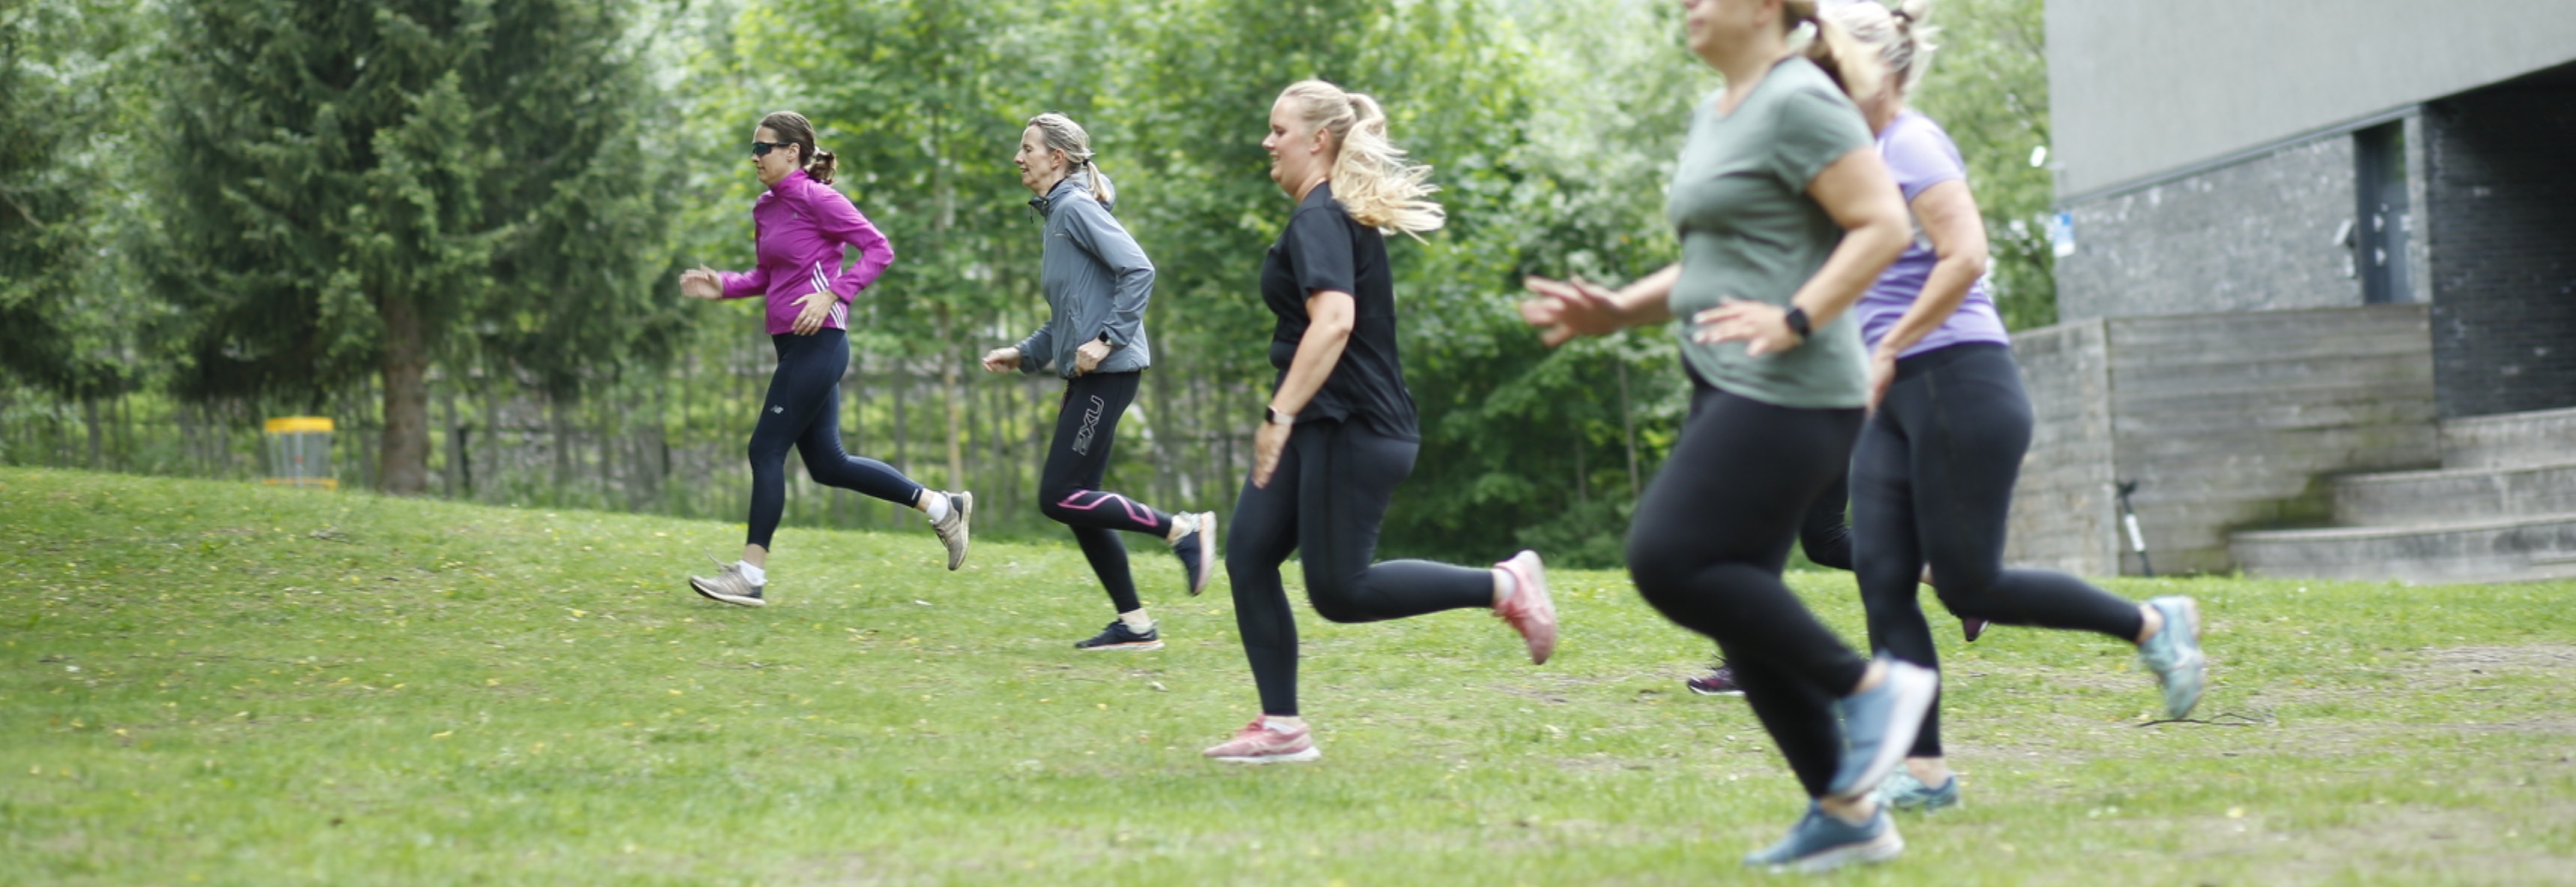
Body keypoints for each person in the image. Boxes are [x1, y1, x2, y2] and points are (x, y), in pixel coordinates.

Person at [1520, 0, 1933, 871]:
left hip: (1795, 387)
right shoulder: (1720, 112)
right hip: (1732, 379)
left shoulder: (1797, 99)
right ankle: (1845, 809)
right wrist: (1618, 311)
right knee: (1734, 594)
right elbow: (1713, 261)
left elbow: (1884, 225)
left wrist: (1797, 315)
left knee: (1668, 559)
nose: (1685, 7)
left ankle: (1870, 688)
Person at [1819, 0, 2205, 814]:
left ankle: (2149, 623)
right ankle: (1924, 772)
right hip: (1890, 396)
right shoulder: (1847, 157)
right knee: (1882, 578)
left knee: (1968, 586)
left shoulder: (1911, 144)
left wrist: (1888, 346)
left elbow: (1965, 255)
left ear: (1878, 67)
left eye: (1828, 58)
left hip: (1957, 380)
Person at [1203, 80, 1558, 766]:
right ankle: (1282, 726)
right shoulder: (1326, 213)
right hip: (1325, 421)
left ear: (1318, 140)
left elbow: (1334, 320)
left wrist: (1279, 415)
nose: (1267, 142)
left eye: (1278, 130)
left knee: (1340, 590)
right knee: (1249, 552)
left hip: (1350, 425)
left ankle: (1505, 584)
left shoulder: (1320, 217)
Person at [678, 111, 972, 607]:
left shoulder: (821, 200)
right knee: (829, 464)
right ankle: (943, 506)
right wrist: (724, 285)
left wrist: (836, 293)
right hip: (791, 345)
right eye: (752, 148)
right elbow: (767, 276)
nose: (754, 156)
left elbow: (879, 250)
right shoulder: (765, 208)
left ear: (792, 151)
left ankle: (751, 574)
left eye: (763, 147)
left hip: (821, 343)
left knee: (765, 449)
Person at [981, 112, 1216, 651]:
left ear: (1056, 158)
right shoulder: (1056, 217)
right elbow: (1068, 314)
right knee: (1080, 501)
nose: (1018, 158)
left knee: (1058, 495)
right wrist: (1025, 353)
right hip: (1089, 374)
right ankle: (1135, 626)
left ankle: (1183, 529)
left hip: (1108, 374)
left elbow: (1140, 269)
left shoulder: (1076, 208)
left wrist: (1107, 339)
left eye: (1028, 148)